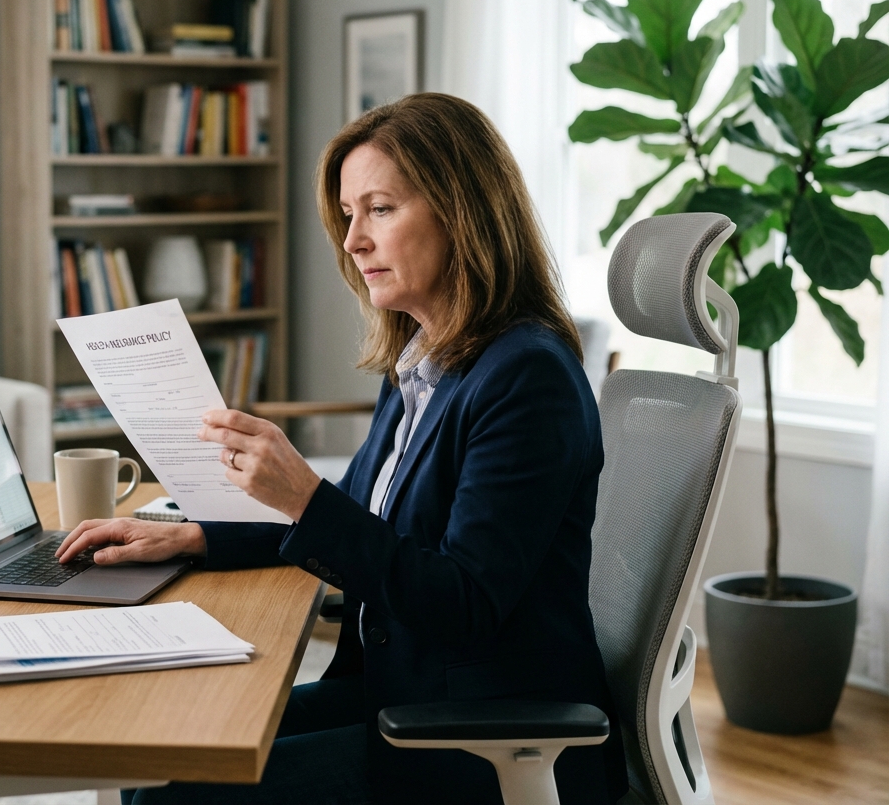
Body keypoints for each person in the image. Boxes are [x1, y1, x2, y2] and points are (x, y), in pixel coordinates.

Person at [56, 93, 628, 805]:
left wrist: (302, 494)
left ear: (464, 211)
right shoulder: (421, 363)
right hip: (398, 694)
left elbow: (466, 603)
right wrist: (189, 538)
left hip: (481, 733)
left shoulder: (527, 377)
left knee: (175, 798)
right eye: (350, 215)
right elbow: (356, 518)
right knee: (162, 760)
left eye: (380, 209)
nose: (354, 240)